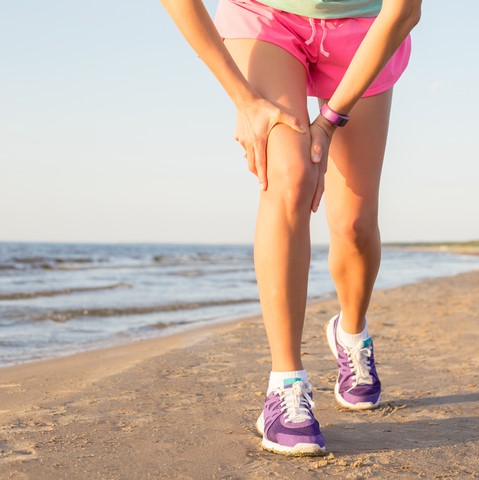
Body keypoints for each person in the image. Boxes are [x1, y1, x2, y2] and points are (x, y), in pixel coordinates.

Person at [160, 0, 421, 456]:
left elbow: (404, 10)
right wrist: (243, 100)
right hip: (266, 16)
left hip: (363, 26)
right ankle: (285, 385)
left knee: (356, 223)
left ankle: (351, 332)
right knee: (291, 175)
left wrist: (330, 120)